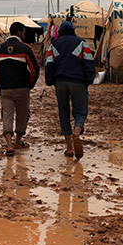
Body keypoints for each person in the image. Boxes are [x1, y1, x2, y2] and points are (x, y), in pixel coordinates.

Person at [45, 21, 95, 159]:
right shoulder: (82, 43)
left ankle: (69, 148)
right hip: (78, 82)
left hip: (60, 82)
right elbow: (89, 62)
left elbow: (49, 64)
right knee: (81, 111)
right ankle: (77, 133)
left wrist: (49, 81)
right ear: (73, 30)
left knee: (63, 112)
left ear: (60, 31)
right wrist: (88, 80)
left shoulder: (54, 45)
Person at [0, 22, 40, 156]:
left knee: (7, 114)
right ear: (19, 32)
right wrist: (30, 85)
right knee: (23, 114)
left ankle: (9, 145)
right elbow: (35, 69)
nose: (24, 35)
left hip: (5, 89)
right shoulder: (25, 48)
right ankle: (18, 141)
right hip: (22, 88)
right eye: (23, 32)